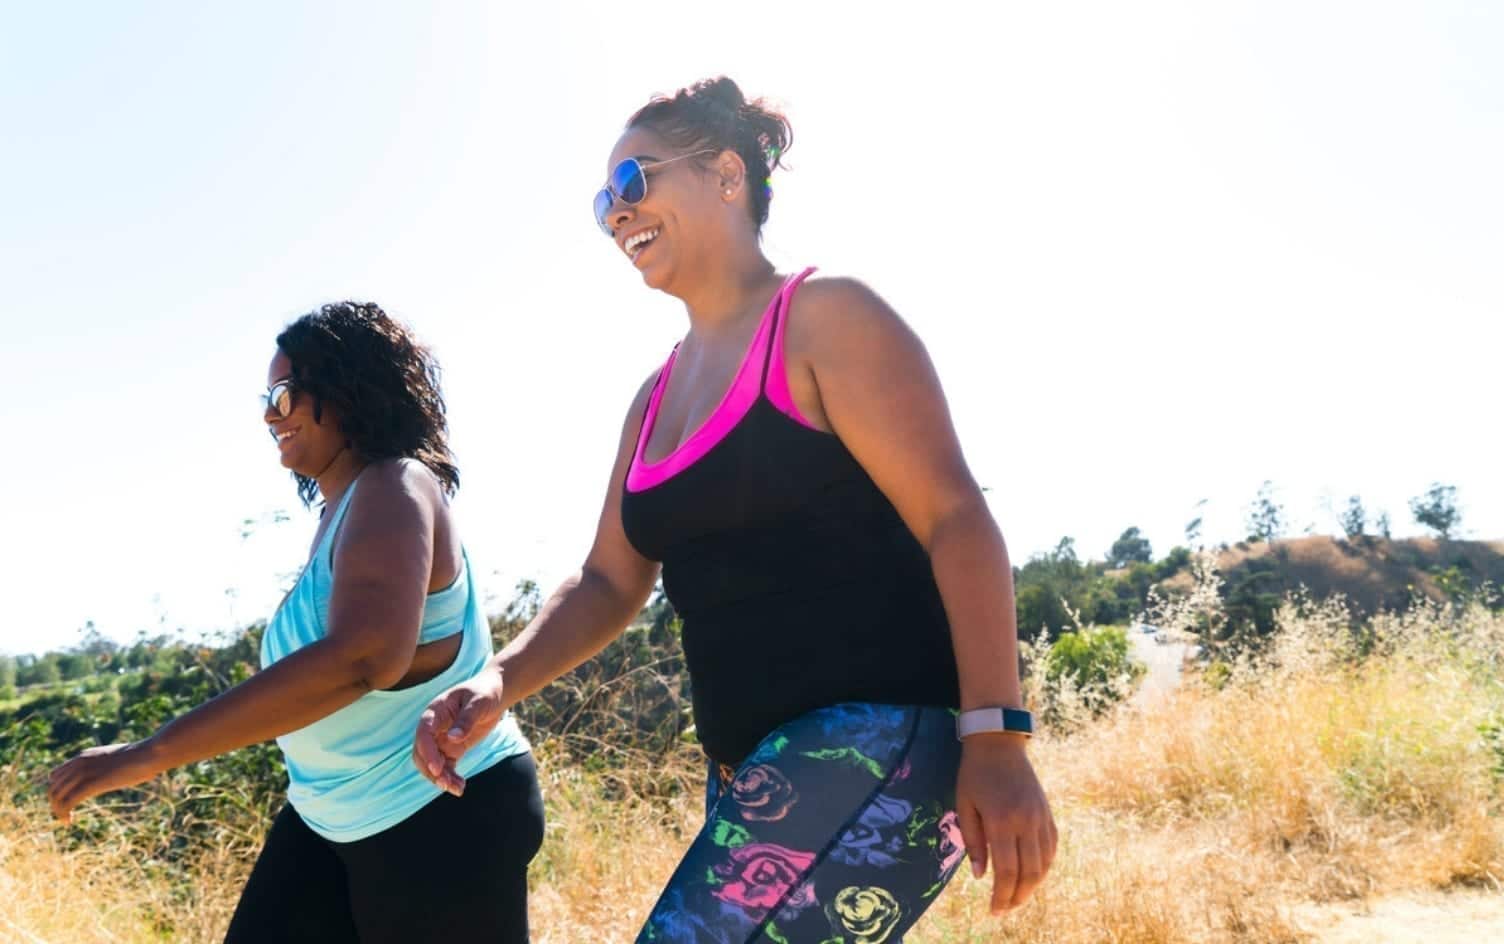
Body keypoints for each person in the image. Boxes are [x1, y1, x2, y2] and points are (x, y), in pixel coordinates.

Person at [414, 77, 1056, 942]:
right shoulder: (652, 399)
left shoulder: (826, 317)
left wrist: (998, 739)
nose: (616, 213)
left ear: (725, 174)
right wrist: (497, 681)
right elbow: (609, 581)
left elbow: (955, 518)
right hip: (753, 775)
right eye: (603, 201)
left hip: (884, 745)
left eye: (633, 180)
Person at [48, 302, 541, 943]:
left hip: (436, 815)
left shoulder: (394, 484)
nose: (270, 415)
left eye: (285, 394)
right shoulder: (342, 513)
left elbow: (363, 659)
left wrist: (149, 754)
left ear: (347, 389)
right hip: (326, 818)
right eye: (267, 398)